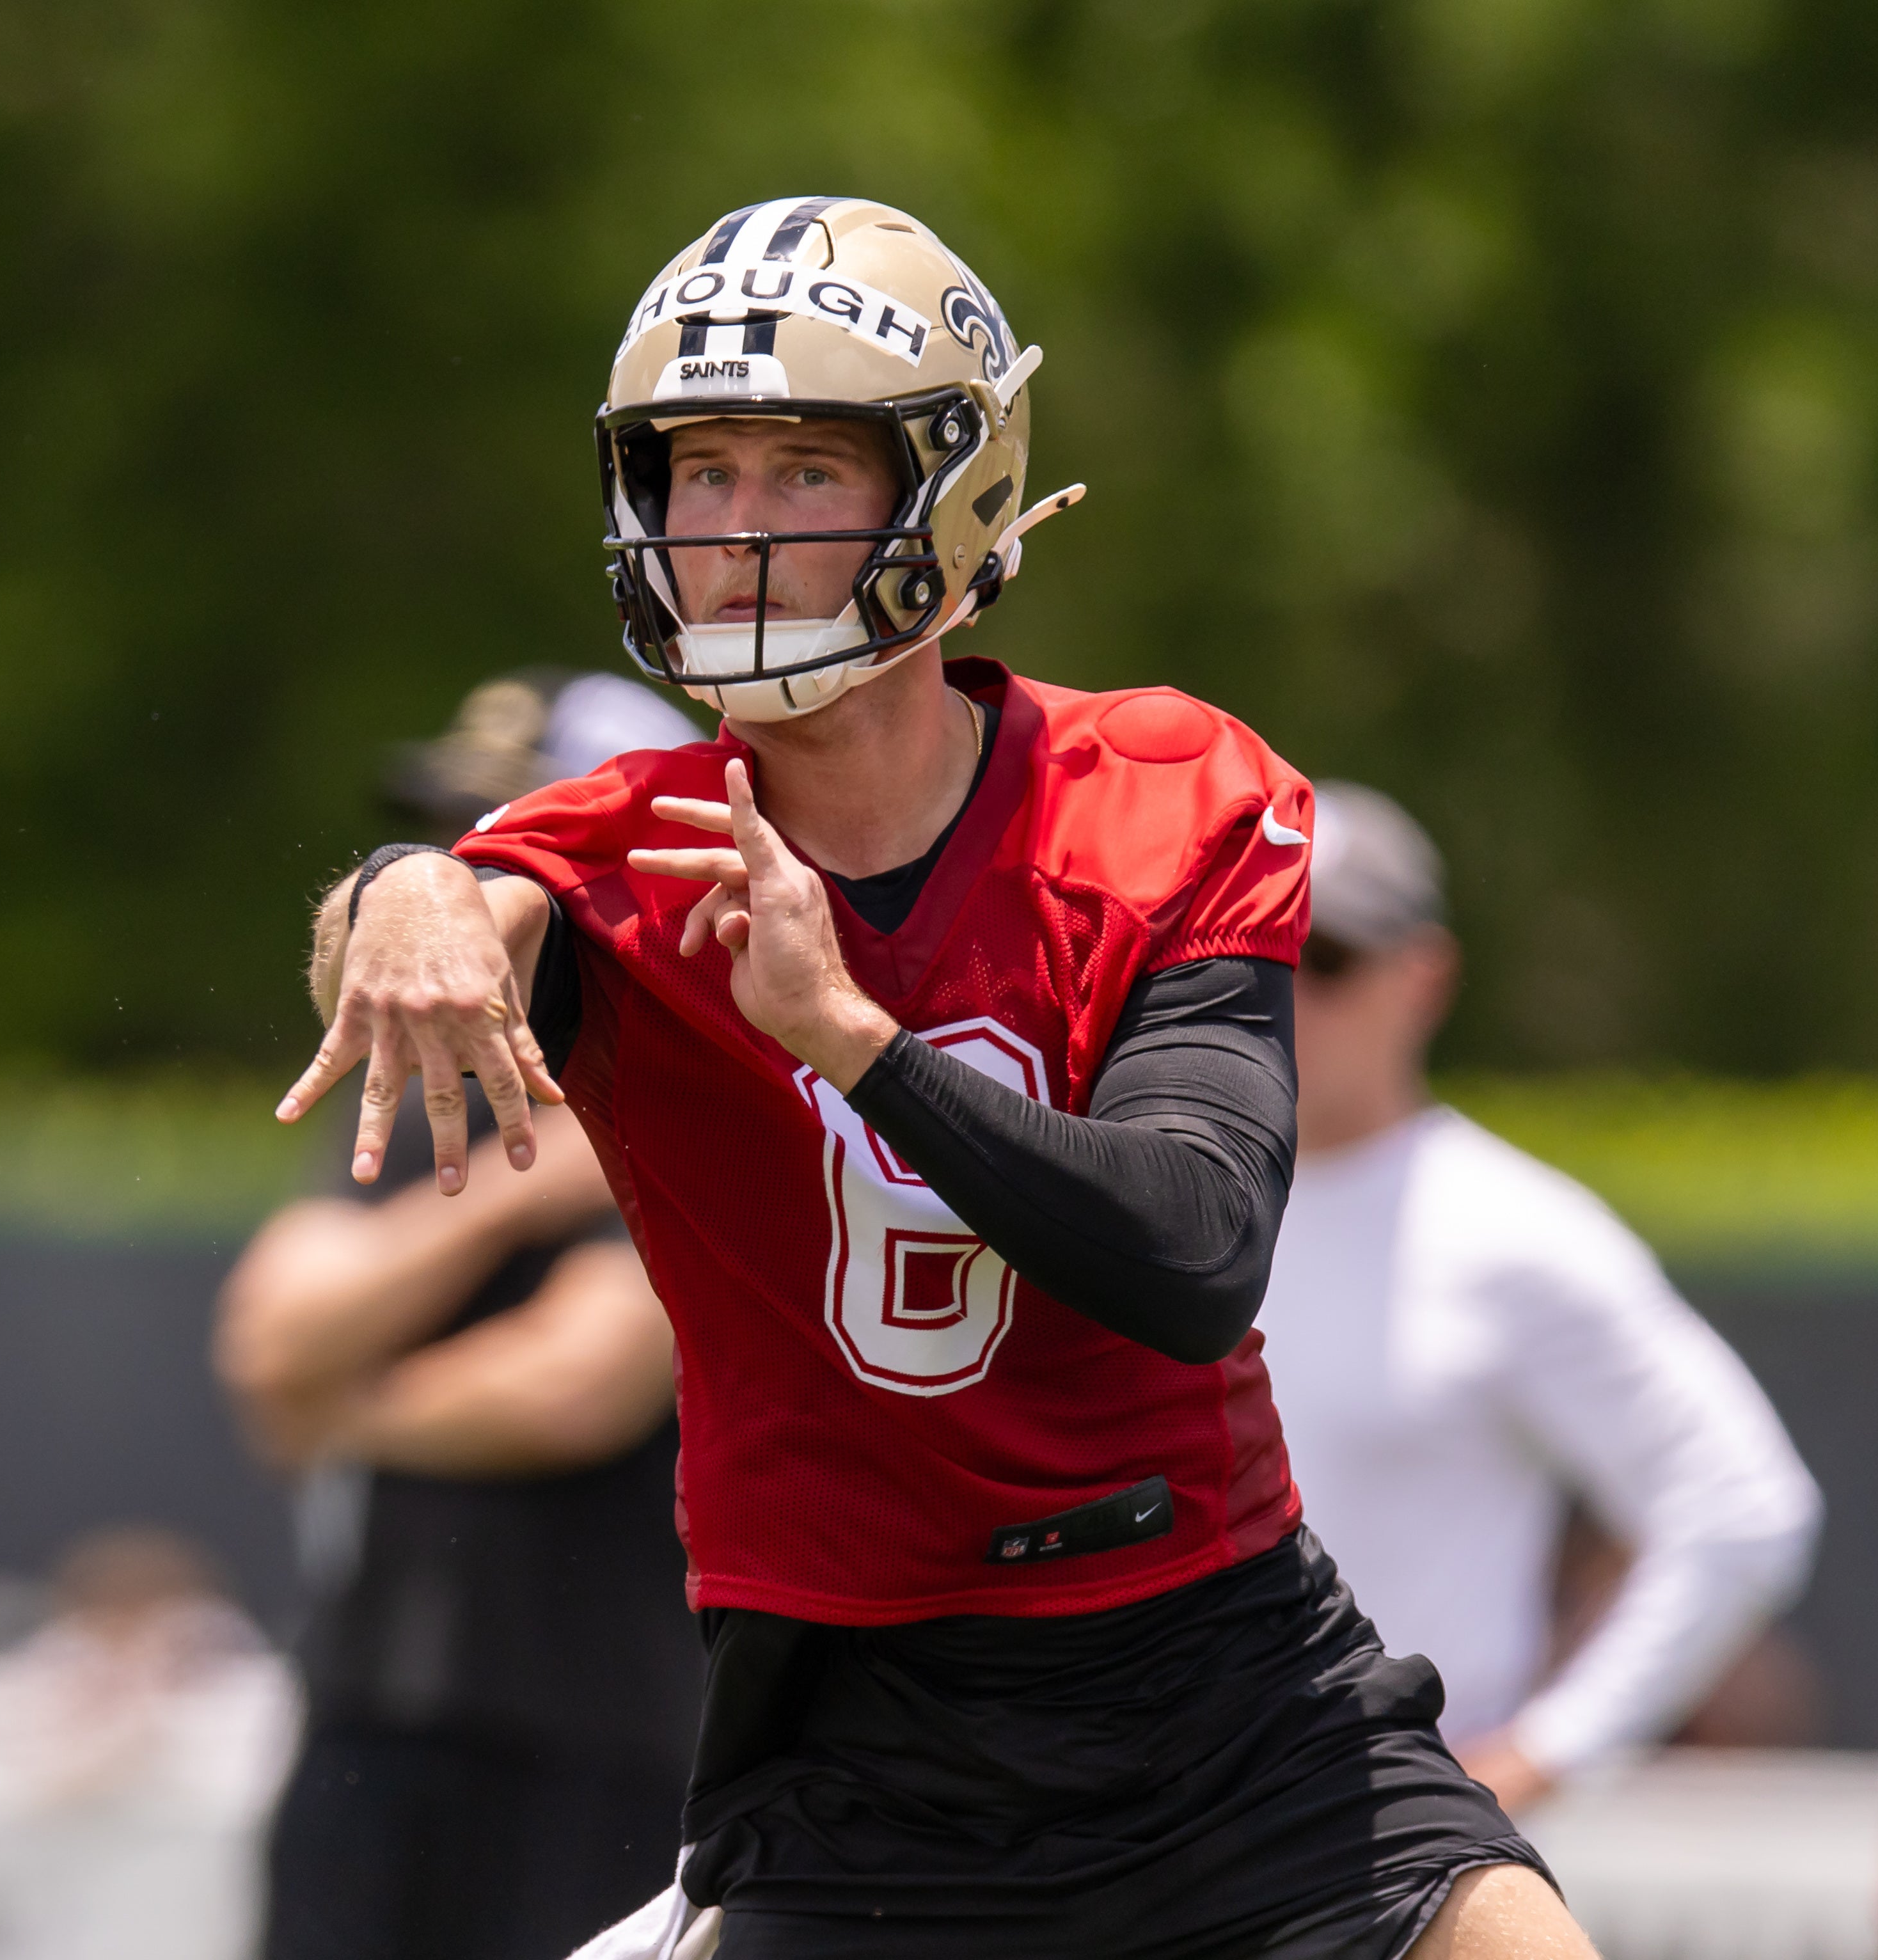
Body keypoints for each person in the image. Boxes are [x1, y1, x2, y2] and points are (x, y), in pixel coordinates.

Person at [276, 197, 1598, 1958]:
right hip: (860, 1743)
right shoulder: (619, 855)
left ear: (949, 489)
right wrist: (402, 898)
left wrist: (854, 1042)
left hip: (1219, 1686)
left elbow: (1191, 1257)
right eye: (697, 470)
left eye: (801, 471)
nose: (733, 529)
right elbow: (467, 911)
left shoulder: (1158, 791)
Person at [217, 668, 707, 1960]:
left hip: (605, 1736)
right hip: (367, 1715)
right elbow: (272, 1344)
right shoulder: (441, 1088)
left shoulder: (699, 1082)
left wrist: (343, 1402)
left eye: (506, 837)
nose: (464, 882)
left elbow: (574, 1386)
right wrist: (514, 1194)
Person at [1253, 784, 1820, 1814]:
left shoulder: (1510, 1232)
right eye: (1251, 948)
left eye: (1325, 956)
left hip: (1391, 1867)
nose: (1283, 988)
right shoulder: (1139, 1199)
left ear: (1424, 979)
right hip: (1161, 1861)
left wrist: (1541, 1753)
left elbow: (1743, 1506)